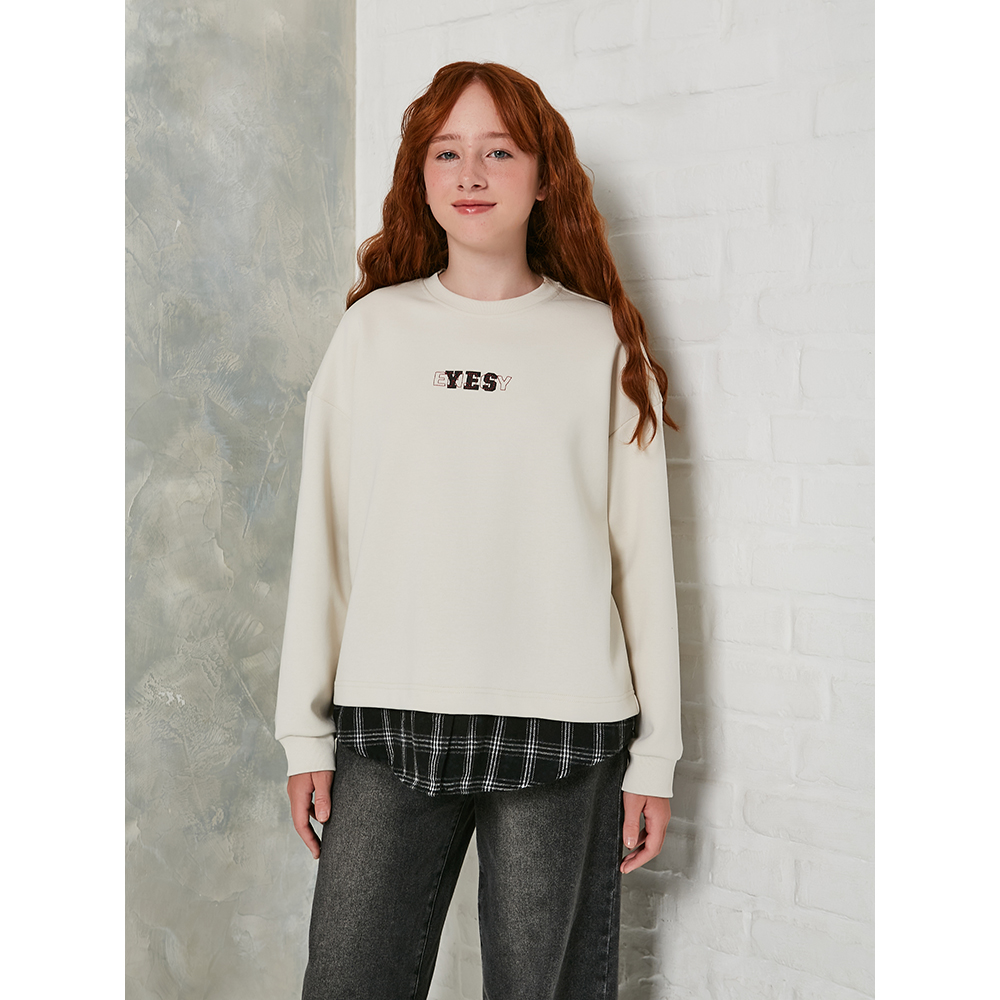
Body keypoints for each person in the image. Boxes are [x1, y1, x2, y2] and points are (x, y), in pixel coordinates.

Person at [274, 61, 682, 1000]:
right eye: (446, 152)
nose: (470, 173)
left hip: (567, 729)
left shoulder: (600, 341)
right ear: (419, 176)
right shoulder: (374, 333)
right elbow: (324, 545)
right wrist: (304, 736)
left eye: (499, 151)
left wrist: (655, 756)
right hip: (387, 719)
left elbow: (643, 563)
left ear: (544, 178)